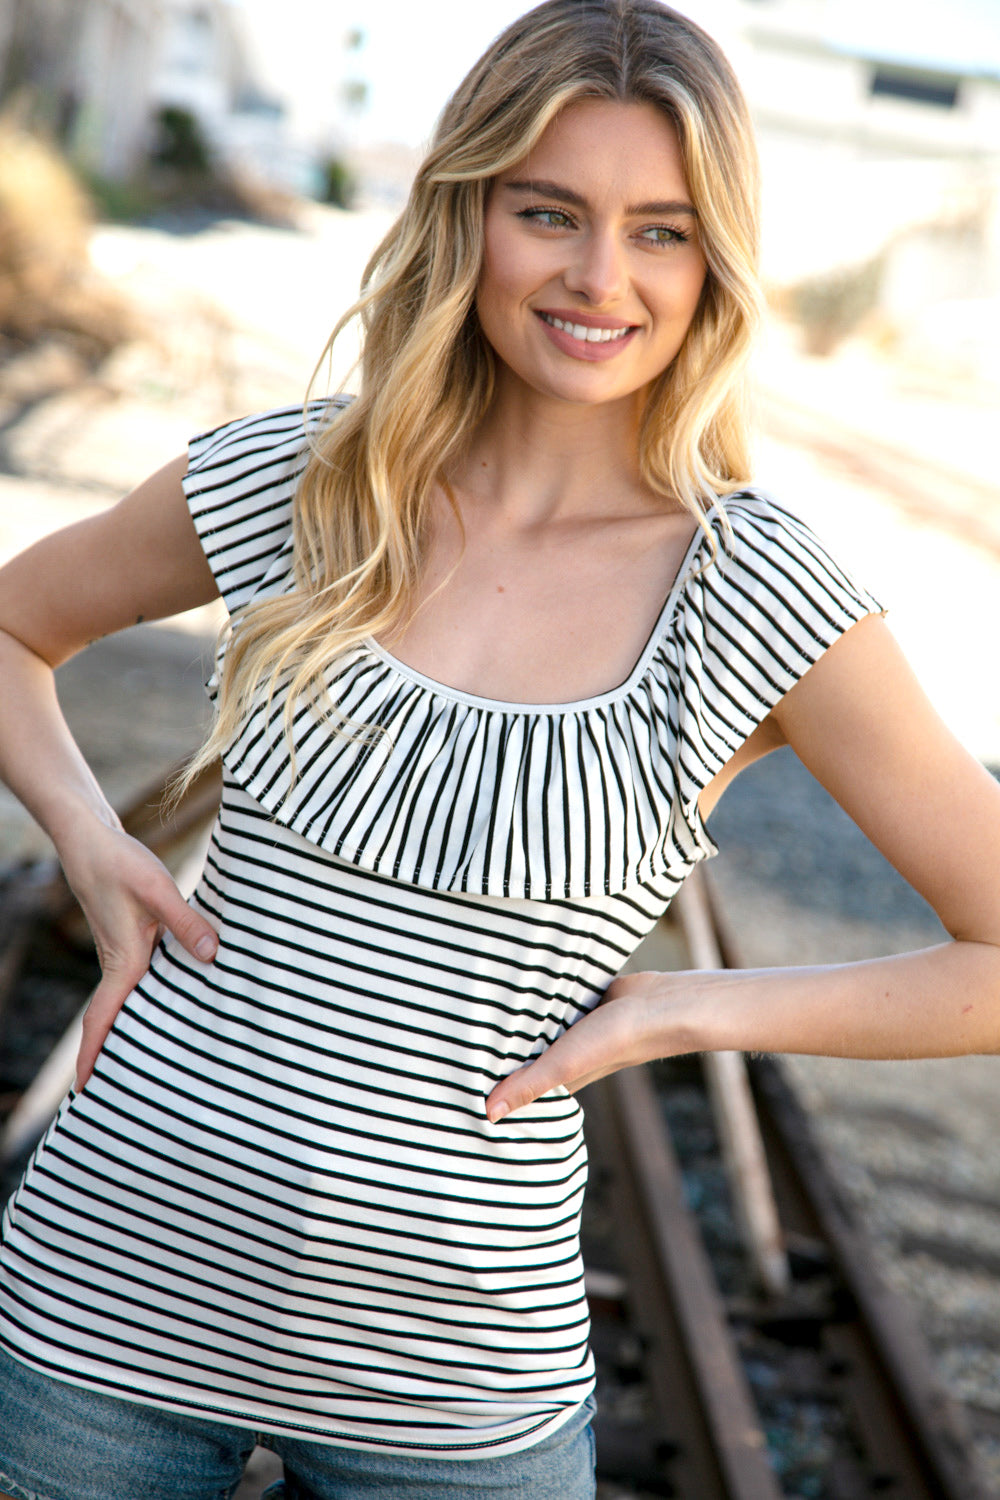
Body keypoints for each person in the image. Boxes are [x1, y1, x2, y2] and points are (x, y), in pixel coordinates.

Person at [1, 0, 999, 1495]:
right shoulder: (302, 479)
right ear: (469, 213)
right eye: (552, 214)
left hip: (454, 1386)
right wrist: (92, 834)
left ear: (714, 260)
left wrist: (678, 1011)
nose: (602, 278)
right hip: (109, 1297)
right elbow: (16, 628)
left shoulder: (757, 588)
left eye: (661, 230)